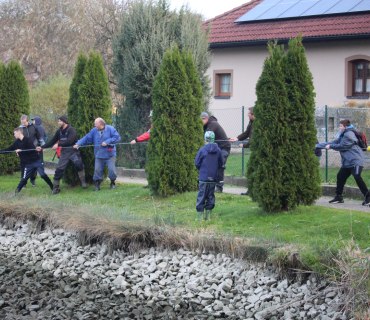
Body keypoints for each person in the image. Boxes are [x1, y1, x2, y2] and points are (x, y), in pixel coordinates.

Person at [316, 119, 370, 205]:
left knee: (357, 176)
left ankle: (368, 197)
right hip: (347, 162)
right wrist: (318, 146)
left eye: (341, 126)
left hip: (356, 161)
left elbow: (343, 146)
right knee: (340, 177)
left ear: (345, 127)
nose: (339, 127)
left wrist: (330, 146)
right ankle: (339, 197)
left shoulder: (349, 134)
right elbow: (333, 142)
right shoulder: (343, 135)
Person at [37, 115, 86, 194]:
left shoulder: (71, 130)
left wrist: (59, 144)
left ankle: (83, 182)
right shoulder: (59, 131)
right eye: (58, 121)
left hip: (73, 151)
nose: (58, 122)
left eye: (59, 121)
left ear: (64, 121)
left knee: (79, 164)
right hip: (64, 153)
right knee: (59, 170)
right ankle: (55, 188)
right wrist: (42, 147)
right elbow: (52, 141)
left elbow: (70, 141)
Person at [0, 127, 53, 194]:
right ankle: (16, 192)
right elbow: (8, 149)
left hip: (36, 161)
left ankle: (52, 187)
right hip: (28, 164)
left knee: (42, 175)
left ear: (19, 132)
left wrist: (20, 151)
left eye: (14, 133)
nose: (14, 135)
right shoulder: (16, 143)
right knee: (24, 179)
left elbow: (31, 151)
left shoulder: (28, 140)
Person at [74, 118, 121, 191]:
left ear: (101, 124)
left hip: (110, 154)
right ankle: (97, 185)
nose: (94, 125)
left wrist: (107, 141)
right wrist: (78, 144)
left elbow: (117, 138)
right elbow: (86, 138)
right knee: (97, 170)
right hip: (99, 154)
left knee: (112, 170)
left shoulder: (111, 129)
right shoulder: (94, 130)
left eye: (96, 124)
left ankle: (112, 183)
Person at [194, 131, 223, 221]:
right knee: (211, 195)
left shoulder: (202, 150)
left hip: (203, 177)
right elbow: (221, 163)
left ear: (205, 139)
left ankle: (200, 217)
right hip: (213, 177)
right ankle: (208, 216)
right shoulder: (218, 150)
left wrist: (201, 170)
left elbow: (197, 163)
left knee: (201, 195)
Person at [201, 112, 231, 193]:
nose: (202, 121)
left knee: (220, 166)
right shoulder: (207, 125)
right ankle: (212, 186)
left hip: (224, 148)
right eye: (201, 119)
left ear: (207, 118)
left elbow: (207, 136)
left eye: (203, 119)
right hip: (216, 148)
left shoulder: (213, 124)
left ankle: (219, 188)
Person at [229, 107, 255, 196]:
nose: (247, 115)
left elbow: (253, 140)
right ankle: (250, 191)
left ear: (253, 115)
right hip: (253, 151)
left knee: (253, 171)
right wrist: (236, 138)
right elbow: (246, 133)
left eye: (249, 114)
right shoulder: (251, 123)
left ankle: (253, 191)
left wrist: (243, 145)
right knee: (251, 170)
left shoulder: (257, 124)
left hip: (257, 151)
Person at [19, 114, 44, 187]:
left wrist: (43, 146)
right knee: (24, 167)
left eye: (24, 122)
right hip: (24, 151)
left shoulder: (33, 127)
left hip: (34, 150)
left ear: (27, 121)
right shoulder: (19, 129)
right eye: (21, 122)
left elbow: (39, 137)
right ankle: (23, 183)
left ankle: (33, 180)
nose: (23, 124)